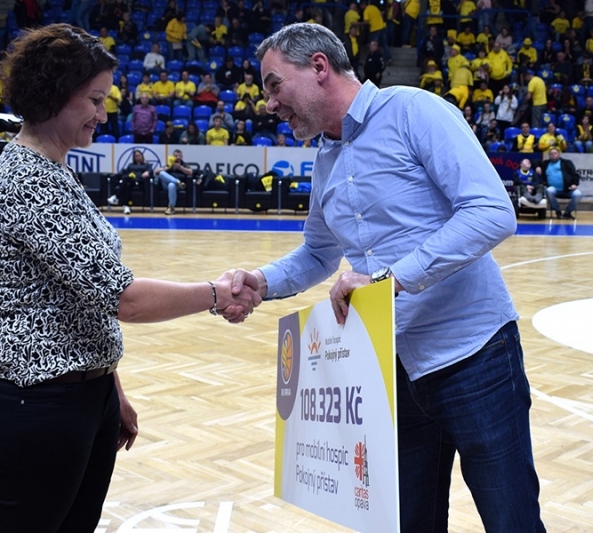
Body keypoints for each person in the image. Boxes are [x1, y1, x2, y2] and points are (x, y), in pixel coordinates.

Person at [225, 23, 546, 533]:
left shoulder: (414, 110)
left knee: (512, 521)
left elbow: (490, 211)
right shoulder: (325, 162)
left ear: (318, 67)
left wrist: (388, 280)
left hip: (474, 354)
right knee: (410, 523)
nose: (268, 103)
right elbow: (318, 253)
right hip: (389, 369)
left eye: (272, 84)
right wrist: (260, 281)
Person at [0, 25, 258, 533]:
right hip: (35, 403)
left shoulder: (53, 170)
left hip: (78, 396)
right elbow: (123, 298)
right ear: (55, 94)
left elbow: (77, 298)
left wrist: (107, 385)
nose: (104, 113)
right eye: (95, 99)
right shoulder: (28, 181)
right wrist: (217, 293)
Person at [536, 147, 581, 218]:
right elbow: (534, 162)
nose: (553, 155)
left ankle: (568, 212)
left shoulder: (566, 163)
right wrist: (537, 167)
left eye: (555, 153)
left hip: (567, 189)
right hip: (554, 189)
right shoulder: (546, 164)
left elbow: (575, 175)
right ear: (549, 155)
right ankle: (558, 211)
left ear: (559, 154)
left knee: (578, 194)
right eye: (551, 154)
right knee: (549, 190)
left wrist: (574, 184)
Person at [107, 149, 153, 214]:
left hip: (140, 182)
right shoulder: (130, 165)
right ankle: (126, 207)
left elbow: (151, 171)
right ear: (134, 157)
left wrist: (148, 172)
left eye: (139, 155)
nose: (138, 157)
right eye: (136, 156)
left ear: (142, 156)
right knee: (127, 184)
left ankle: (116, 196)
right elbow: (125, 174)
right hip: (131, 181)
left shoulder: (146, 165)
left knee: (127, 181)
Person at [155, 148, 193, 214]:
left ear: (182, 157)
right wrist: (166, 168)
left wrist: (180, 167)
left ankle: (171, 207)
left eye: (179, 156)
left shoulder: (184, 165)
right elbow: (156, 172)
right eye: (176, 156)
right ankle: (177, 181)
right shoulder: (169, 164)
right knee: (161, 173)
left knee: (171, 185)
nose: (177, 157)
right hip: (166, 185)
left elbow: (190, 172)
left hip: (178, 187)